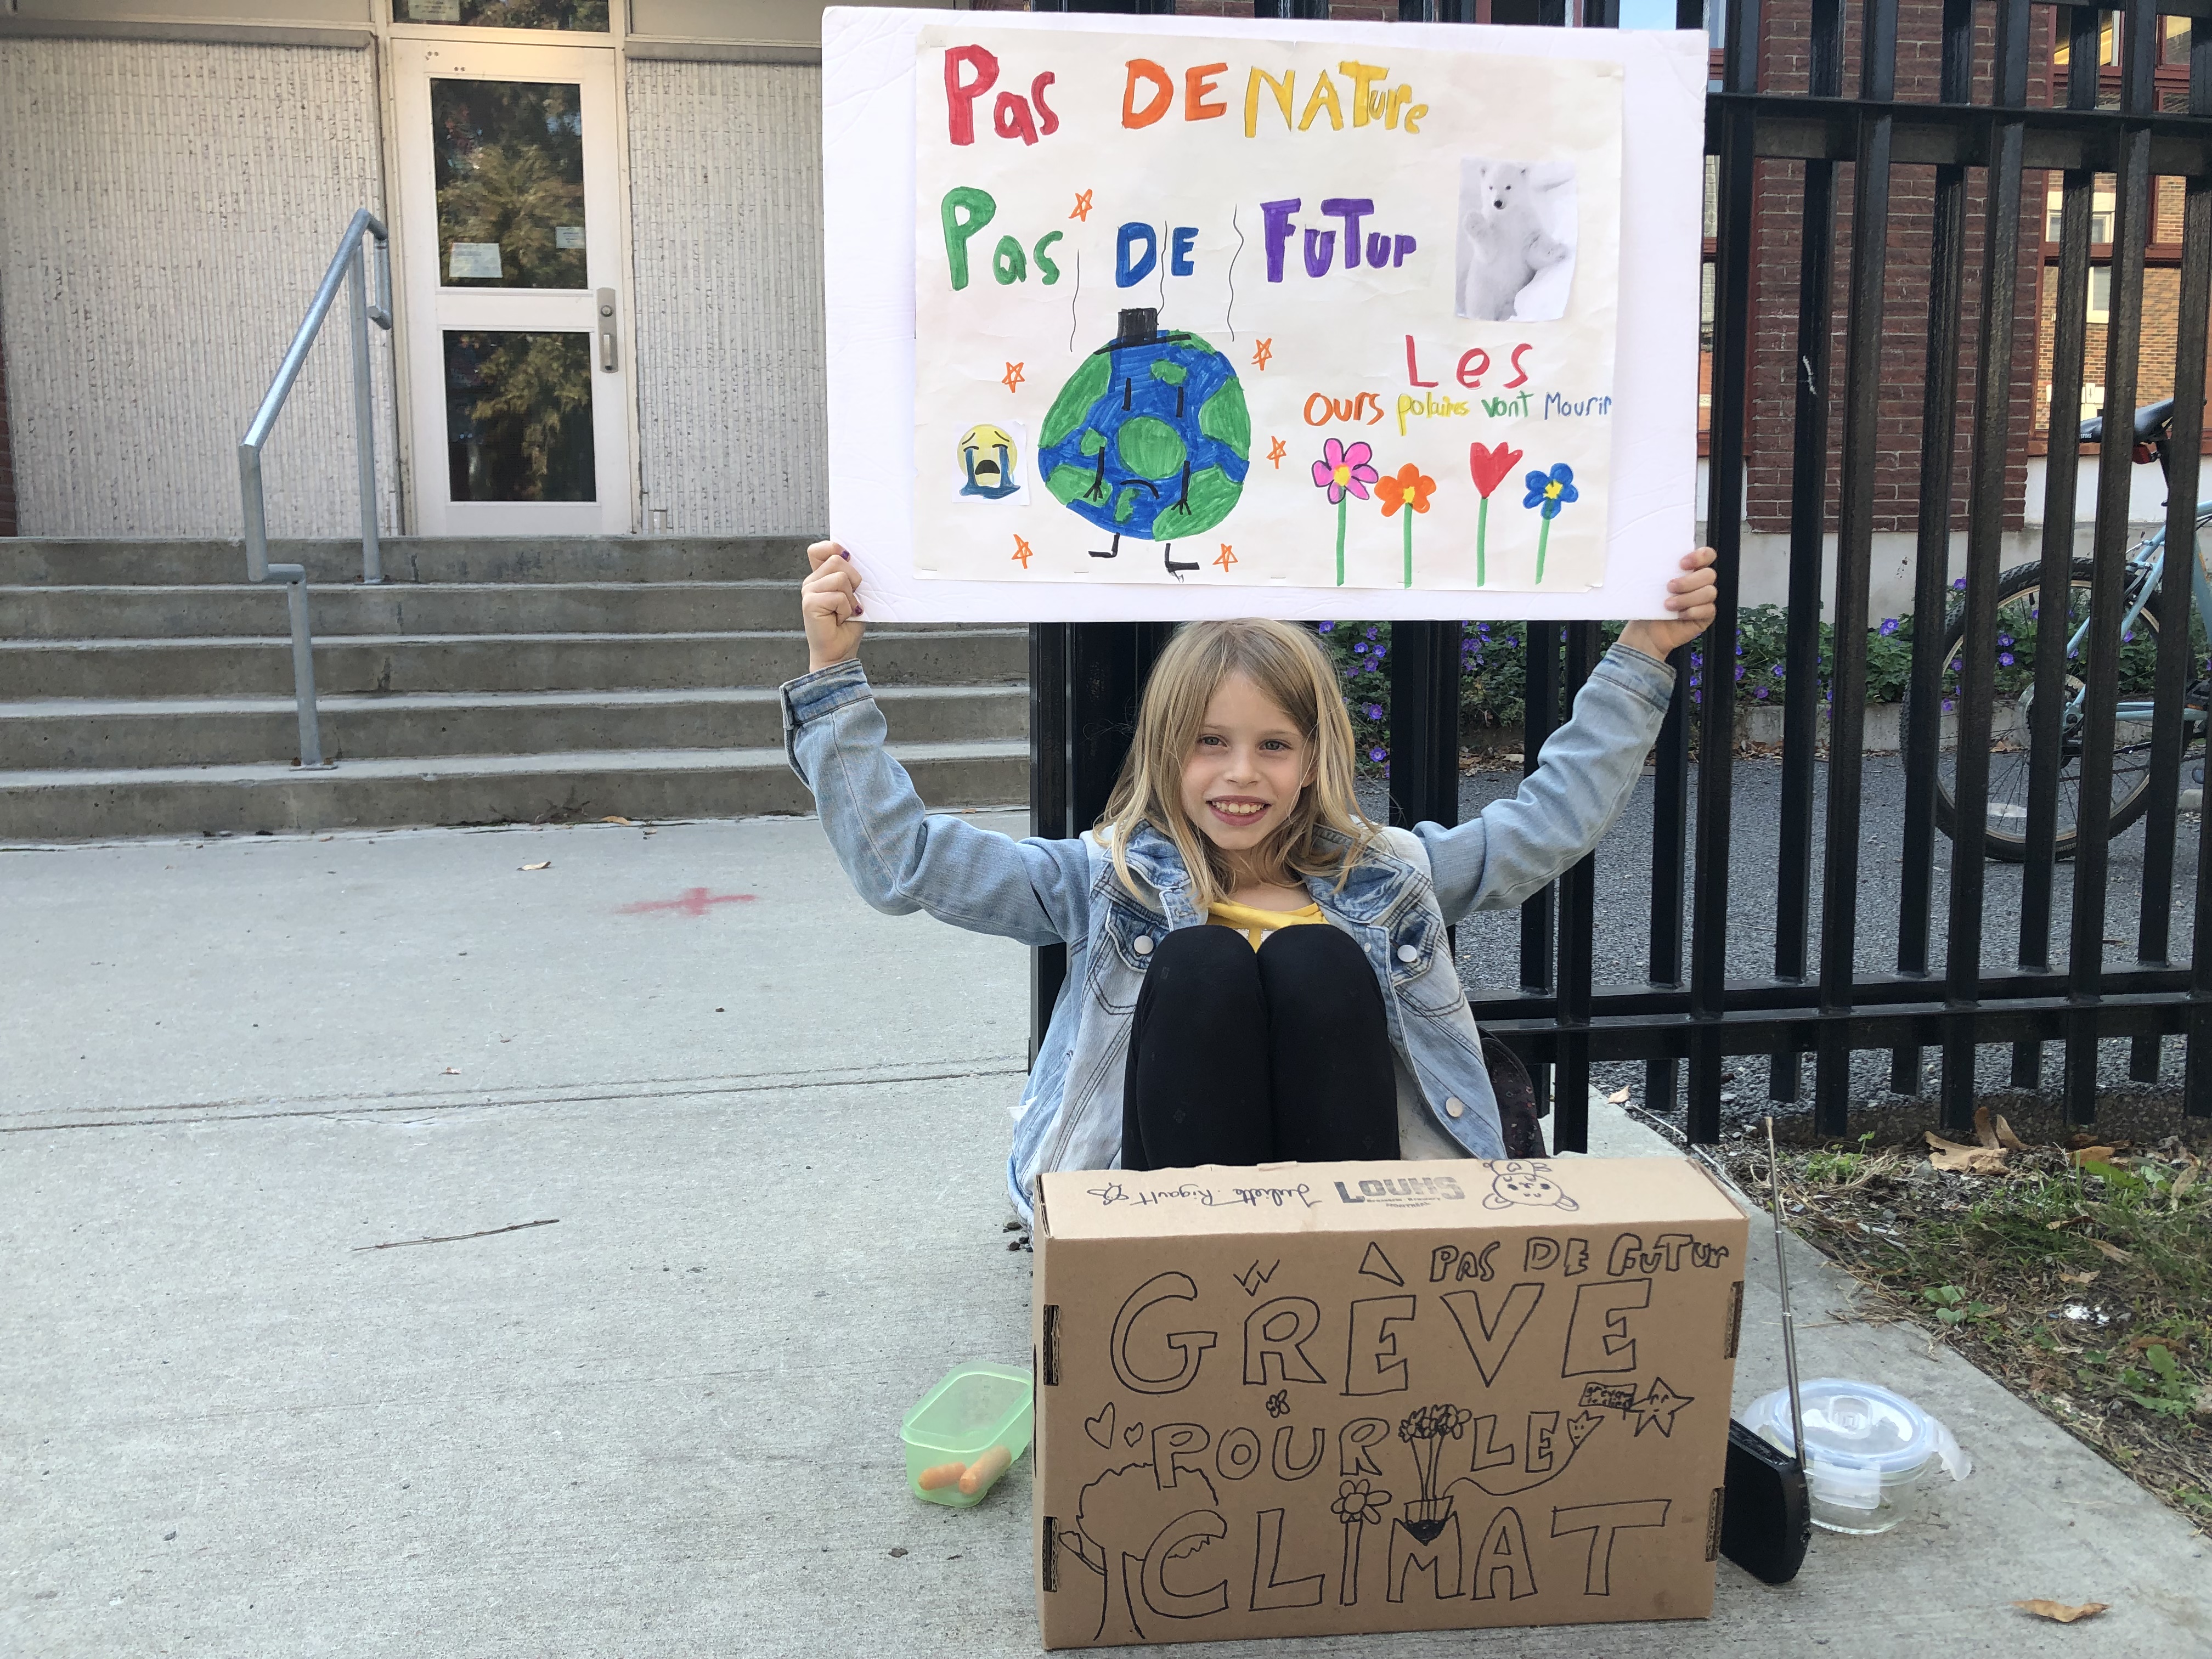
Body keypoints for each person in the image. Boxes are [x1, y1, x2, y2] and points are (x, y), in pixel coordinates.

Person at [786, 541, 1719, 1222]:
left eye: (1273, 745)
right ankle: (1205, 1286)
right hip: (1167, 1219)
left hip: (1359, 1206)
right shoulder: (1108, 880)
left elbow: (1547, 825)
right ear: (1167, 751)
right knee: (1203, 964)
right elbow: (909, 863)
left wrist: (1643, 652)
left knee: (1318, 962)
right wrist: (834, 678)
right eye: (1210, 742)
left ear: (1312, 762)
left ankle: (1345, 1282)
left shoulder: (1387, 875)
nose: (1241, 774)